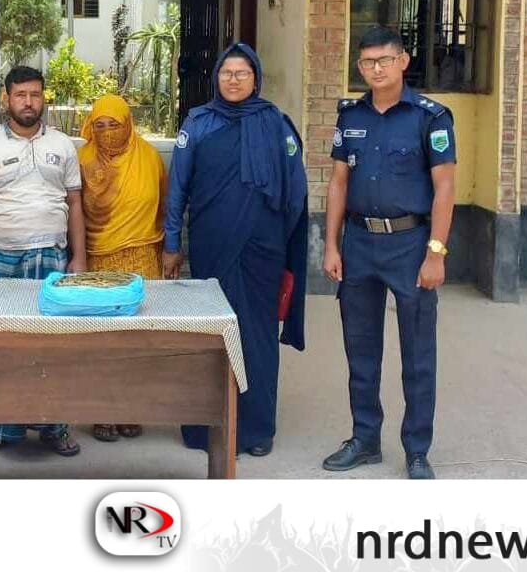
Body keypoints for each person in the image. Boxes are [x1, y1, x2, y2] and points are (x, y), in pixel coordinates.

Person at [321, 25, 456, 480]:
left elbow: (445, 188)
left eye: (384, 60)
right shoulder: (350, 116)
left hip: (410, 245)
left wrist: (436, 253)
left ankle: (417, 449)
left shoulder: (429, 117)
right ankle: (365, 439)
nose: (375, 69)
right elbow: (338, 183)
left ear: (402, 61)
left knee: (418, 354)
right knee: (360, 351)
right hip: (359, 244)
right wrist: (332, 244)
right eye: (367, 62)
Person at [164, 42, 308, 458]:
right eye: (227, 72)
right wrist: (172, 242)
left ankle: (256, 429)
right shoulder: (198, 122)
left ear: (255, 79)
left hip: (263, 250)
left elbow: (295, 191)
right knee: (211, 332)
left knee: (257, 332)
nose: (233, 79)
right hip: (212, 245)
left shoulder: (275, 123)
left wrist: (275, 236)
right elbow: (178, 187)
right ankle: (204, 426)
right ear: (216, 77)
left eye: (242, 73)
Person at [0, 65, 87, 457]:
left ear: (43, 98)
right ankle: (0, 429)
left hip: (50, 254)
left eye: (34, 94)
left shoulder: (64, 145)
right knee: (1, 344)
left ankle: (54, 427)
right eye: (20, 95)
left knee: (53, 345)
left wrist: (79, 257)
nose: (28, 102)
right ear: (6, 98)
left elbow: (75, 204)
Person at [78, 94, 168, 443]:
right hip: (95, 258)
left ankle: (132, 409)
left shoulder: (149, 158)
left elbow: (165, 203)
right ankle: (101, 410)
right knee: (99, 340)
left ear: (128, 124)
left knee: (138, 339)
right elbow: (72, 208)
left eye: (114, 124)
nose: (107, 132)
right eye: (99, 125)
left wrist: (169, 250)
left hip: (141, 256)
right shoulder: (82, 159)